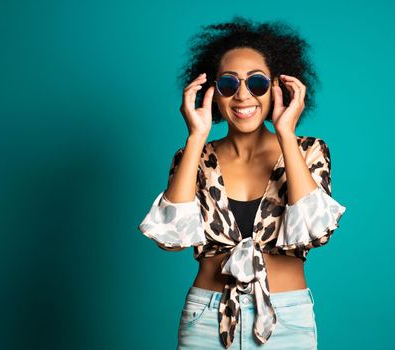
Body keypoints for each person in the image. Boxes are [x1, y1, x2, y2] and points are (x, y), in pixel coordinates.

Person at [138, 16, 347, 349]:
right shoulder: (192, 157)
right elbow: (172, 238)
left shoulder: (308, 151)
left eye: (258, 83)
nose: (243, 95)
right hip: (206, 318)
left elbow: (316, 230)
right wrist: (196, 137)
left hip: (287, 318)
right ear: (213, 93)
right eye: (228, 84)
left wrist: (286, 132)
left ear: (278, 88)